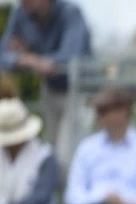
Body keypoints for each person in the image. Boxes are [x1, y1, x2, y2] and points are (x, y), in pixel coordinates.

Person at [0, 0, 92, 154]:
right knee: (53, 151)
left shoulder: (70, 13)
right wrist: (29, 60)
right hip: (50, 90)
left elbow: (71, 58)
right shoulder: (21, 13)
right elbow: (4, 56)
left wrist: (30, 57)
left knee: (67, 153)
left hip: (77, 92)